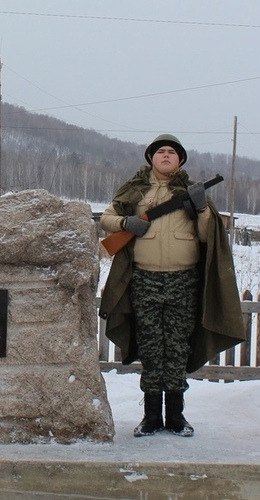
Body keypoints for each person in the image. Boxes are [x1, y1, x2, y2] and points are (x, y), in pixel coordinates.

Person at [99, 134, 244, 438]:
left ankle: (176, 416)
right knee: (151, 348)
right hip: (145, 279)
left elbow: (207, 236)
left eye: (172, 152)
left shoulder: (191, 194)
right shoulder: (135, 191)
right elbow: (107, 218)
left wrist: (203, 208)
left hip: (183, 281)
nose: (166, 155)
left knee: (177, 349)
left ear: (180, 161)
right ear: (151, 158)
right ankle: (151, 416)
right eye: (160, 151)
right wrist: (127, 224)